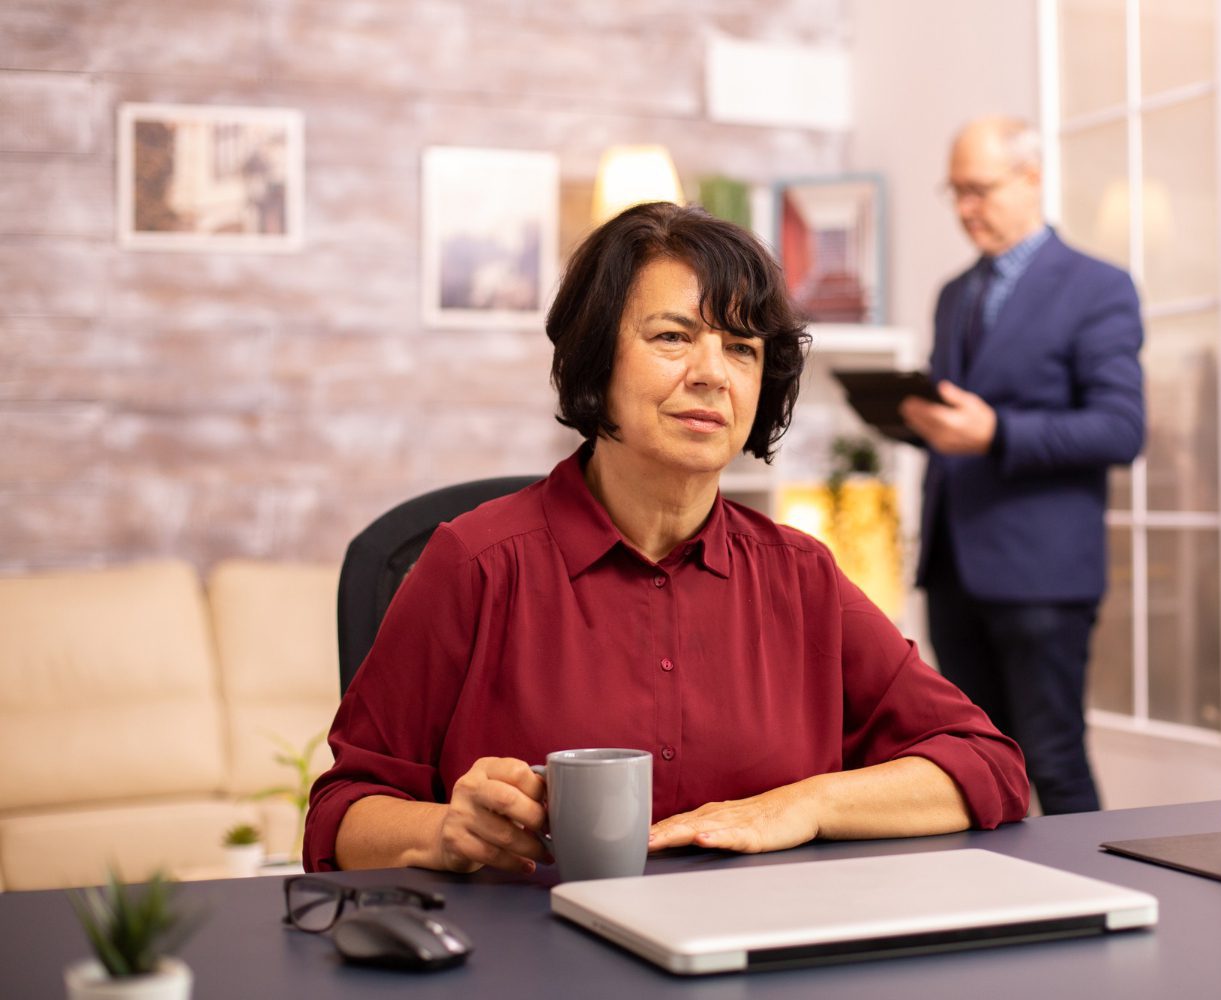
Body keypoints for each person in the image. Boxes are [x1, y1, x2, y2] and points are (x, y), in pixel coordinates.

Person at [304, 202, 1030, 875]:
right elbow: (341, 816)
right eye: (672, 337)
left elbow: (985, 765)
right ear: (598, 360)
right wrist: (443, 834)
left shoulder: (801, 575)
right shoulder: (475, 562)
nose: (712, 374)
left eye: (742, 348)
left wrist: (806, 804)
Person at [899, 118, 1145, 815]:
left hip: (1042, 577)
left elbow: (1120, 428)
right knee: (976, 764)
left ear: (1032, 177)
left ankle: (1099, 909)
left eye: (979, 189)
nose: (965, 209)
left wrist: (997, 431)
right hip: (954, 568)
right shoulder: (955, 294)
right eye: (956, 192)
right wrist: (915, 419)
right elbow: (961, 421)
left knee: (1055, 761)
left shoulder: (1098, 286)